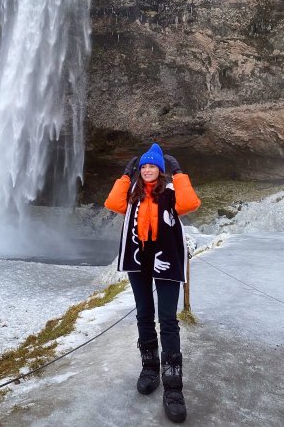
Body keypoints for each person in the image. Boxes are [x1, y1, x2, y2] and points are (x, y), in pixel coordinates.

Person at [104, 143, 201, 424]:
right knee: (144, 315)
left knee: (167, 319)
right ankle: (149, 369)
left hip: (166, 261)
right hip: (138, 263)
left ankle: (173, 388)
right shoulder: (132, 195)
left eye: (152, 166)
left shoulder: (171, 194)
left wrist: (179, 173)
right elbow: (112, 203)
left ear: (160, 170)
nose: (147, 170)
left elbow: (190, 204)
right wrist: (124, 176)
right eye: (143, 167)